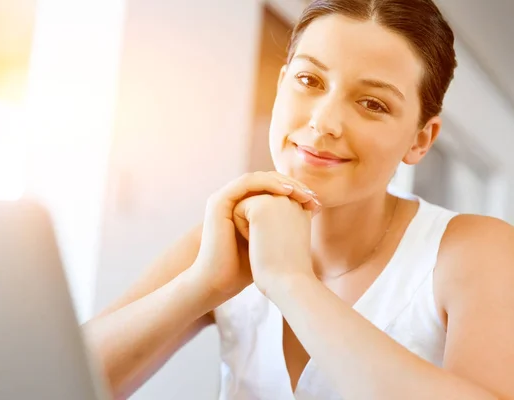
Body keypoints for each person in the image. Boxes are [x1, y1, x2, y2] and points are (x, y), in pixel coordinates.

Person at [83, 0, 514, 399]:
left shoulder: (474, 251)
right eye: (309, 80)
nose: (324, 121)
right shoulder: (224, 238)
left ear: (421, 140)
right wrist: (201, 285)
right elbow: (51, 379)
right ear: (281, 83)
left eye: (372, 103)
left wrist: (292, 283)